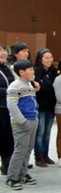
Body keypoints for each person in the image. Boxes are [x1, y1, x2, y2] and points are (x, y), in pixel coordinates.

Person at [5, 59, 38, 190]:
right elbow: (12, 105)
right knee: (20, 150)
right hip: (22, 122)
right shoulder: (15, 85)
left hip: (33, 120)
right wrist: (22, 120)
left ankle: (23, 174)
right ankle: (11, 178)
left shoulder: (29, 85)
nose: (33, 71)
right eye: (30, 69)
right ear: (21, 72)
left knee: (28, 149)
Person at [33, 48, 57, 167]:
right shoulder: (37, 71)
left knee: (47, 132)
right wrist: (45, 85)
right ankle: (38, 156)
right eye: (46, 58)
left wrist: (44, 85)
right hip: (40, 105)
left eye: (51, 57)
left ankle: (46, 154)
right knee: (40, 132)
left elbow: (53, 87)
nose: (49, 60)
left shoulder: (53, 71)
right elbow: (41, 87)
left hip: (51, 106)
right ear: (40, 59)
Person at [0, 45, 16, 176]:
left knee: (9, 137)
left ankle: (8, 164)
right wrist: (12, 92)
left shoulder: (7, 68)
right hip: (0, 108)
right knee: (3, 137)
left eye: (3, 50)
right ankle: (6, 164)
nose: (2, 53)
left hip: (9, 107)